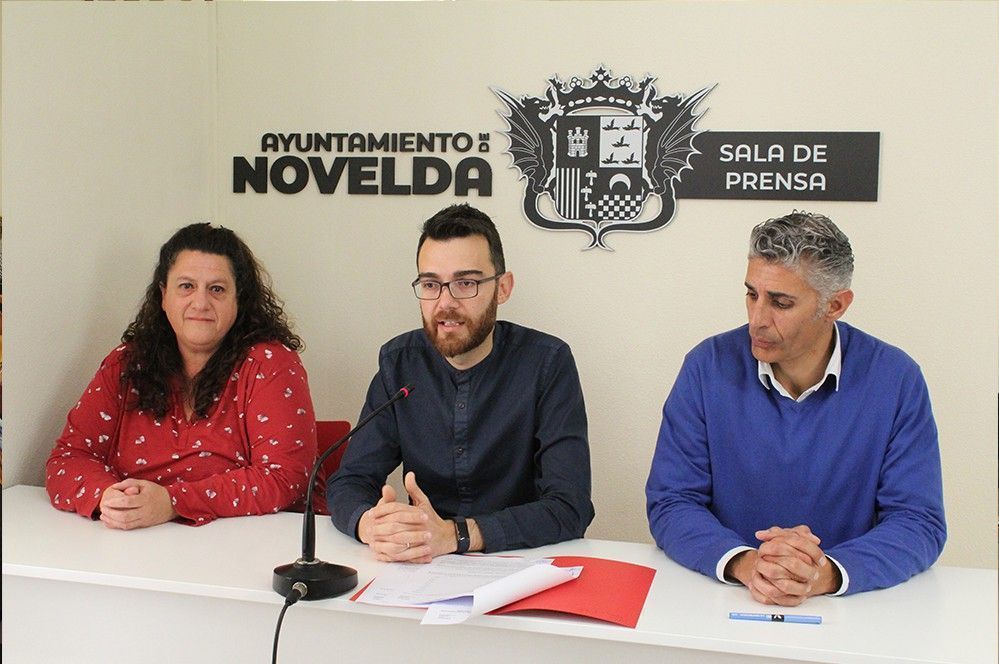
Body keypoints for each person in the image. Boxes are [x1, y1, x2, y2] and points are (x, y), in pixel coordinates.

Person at [646, 211, 946, 605]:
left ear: (835, 305)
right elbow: (672, 501)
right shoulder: (707, 366)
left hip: (852, 609)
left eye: (781, 303)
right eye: (752, 294)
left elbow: (918, 521)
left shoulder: (896, 378)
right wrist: (747, 564)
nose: (757, 320)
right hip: (726, 600)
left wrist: (824, 573)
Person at [327, 204, 593, 562]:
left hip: (520, 564)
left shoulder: (547, 362)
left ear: (502, 288)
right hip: (422, 564)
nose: (445, 303)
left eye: (466, 283)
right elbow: (349, 481)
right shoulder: (399, 363)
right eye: (430, 284)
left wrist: (457, 535)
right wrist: (370, 524)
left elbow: (570, 506)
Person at [46, 223, 317, 529]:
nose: (200, 303)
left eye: (217, 289)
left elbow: (285, 477)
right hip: (133, 542)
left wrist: (172, 502)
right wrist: (110, 498)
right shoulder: (126, 364)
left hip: (248, 544)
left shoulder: (270, 364)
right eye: (186, 286)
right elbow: (68, 458)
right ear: (164, 295)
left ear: (238, 300)